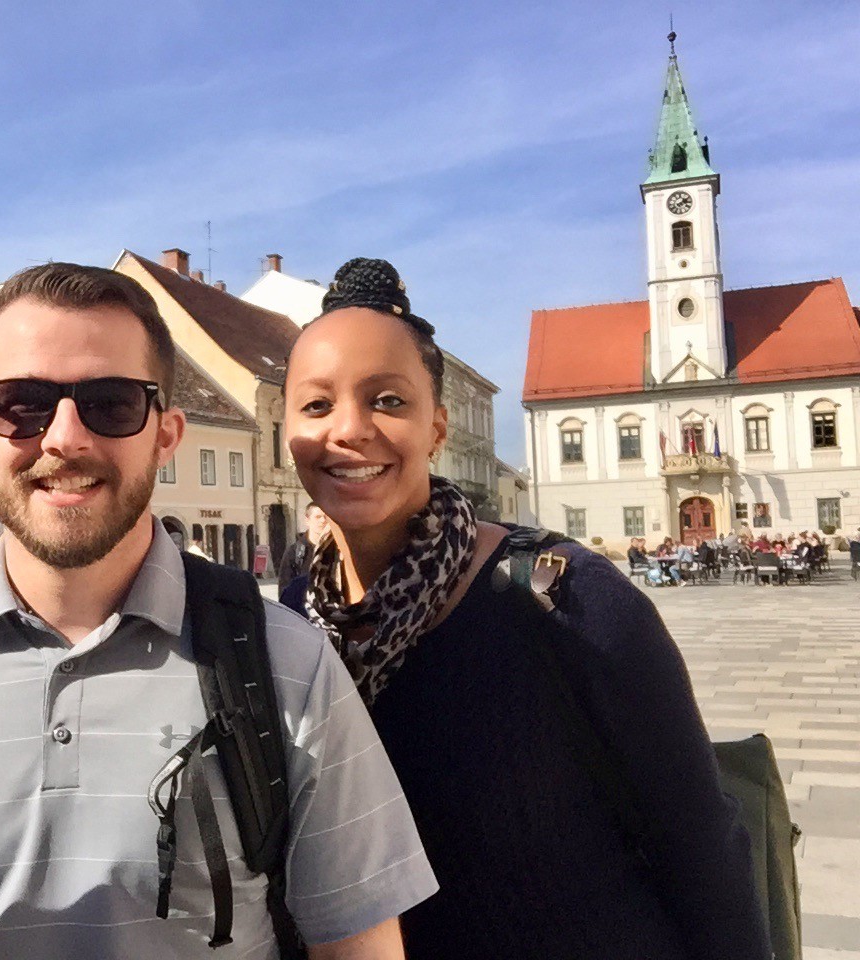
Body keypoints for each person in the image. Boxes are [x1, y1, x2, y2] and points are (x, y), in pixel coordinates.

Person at [0, 263, 435, 958]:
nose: (64, 437)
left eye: (113, 403)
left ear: (165, 435)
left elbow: (359, 947)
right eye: (22, 403)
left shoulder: (284, 663)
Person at [280, 257, 769, 958]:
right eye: (317, 405)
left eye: (388, 401)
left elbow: (701, 843)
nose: (349, 428)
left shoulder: (562, 595)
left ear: (438, 428)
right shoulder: (297, 619)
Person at [277, 501, 330, 591]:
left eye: (326, 517)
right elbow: (285, 589)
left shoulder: (337, 549)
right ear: (307, 520)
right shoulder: (294, 552)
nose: (323, 520)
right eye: (318, 517)